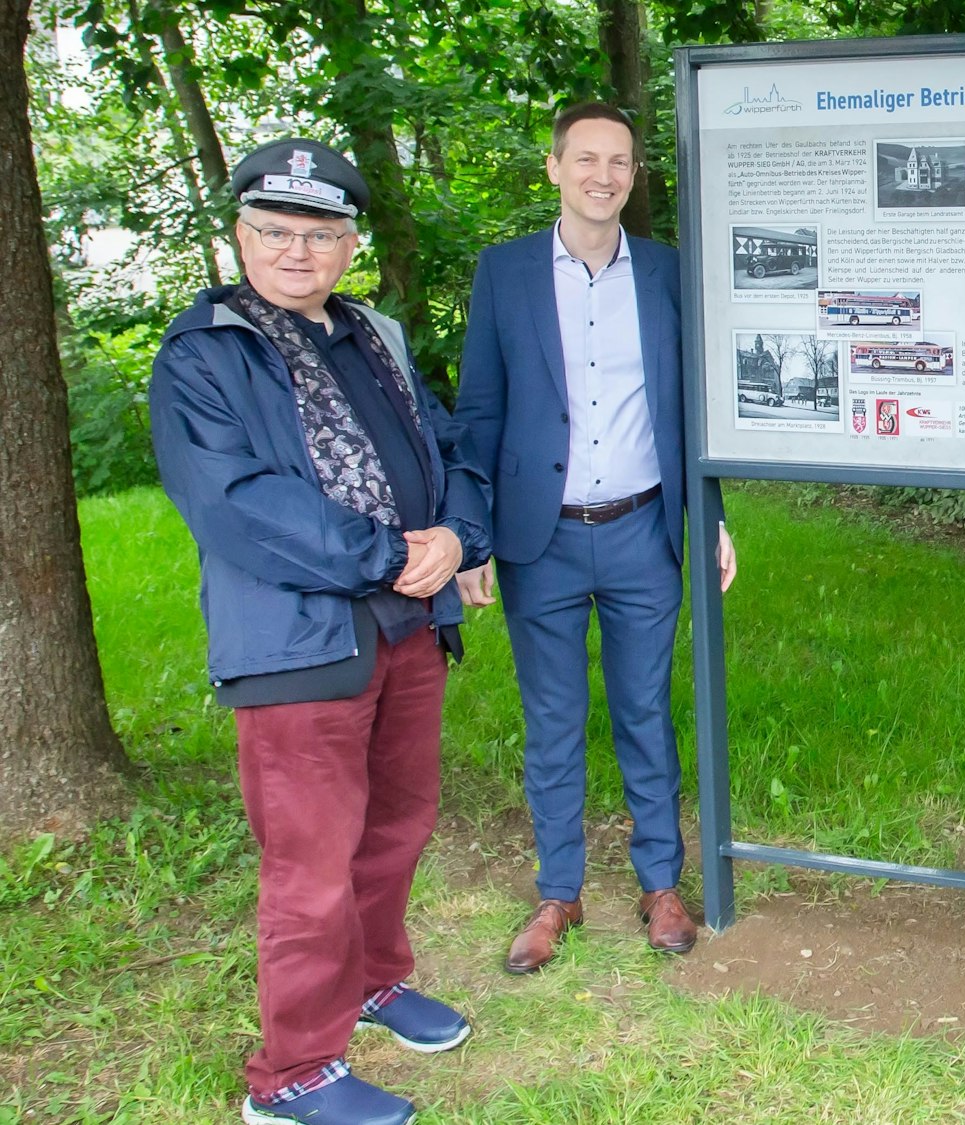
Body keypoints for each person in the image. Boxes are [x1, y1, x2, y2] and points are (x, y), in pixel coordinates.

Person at [151, 138, 490, 1125]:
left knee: (394, 828)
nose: (297, 250)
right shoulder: (205, 352)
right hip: (298, 647)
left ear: (350, 244)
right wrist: (391, 554)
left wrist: (459, 537)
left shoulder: (368, 333)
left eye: (320, 233)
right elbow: (241, 505)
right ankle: (292, 1076)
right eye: (274, 232)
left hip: (405, 629)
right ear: (240, 236)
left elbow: (447, 439)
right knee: (310, 863)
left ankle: (374, 983)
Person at [454, 103, 738, 975]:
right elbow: (478, 414)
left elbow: (696, 404)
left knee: (646, 709)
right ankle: (559, 891)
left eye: (619, 161)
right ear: (554, 168)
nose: (603, 175)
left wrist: (711, 512)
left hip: (642, 532)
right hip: (539, 537)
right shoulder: (502, 276)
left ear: (632, 175)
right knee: (552, 719)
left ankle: (660, 882)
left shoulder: (666, 273)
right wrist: (471, 536)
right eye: (586, 158)